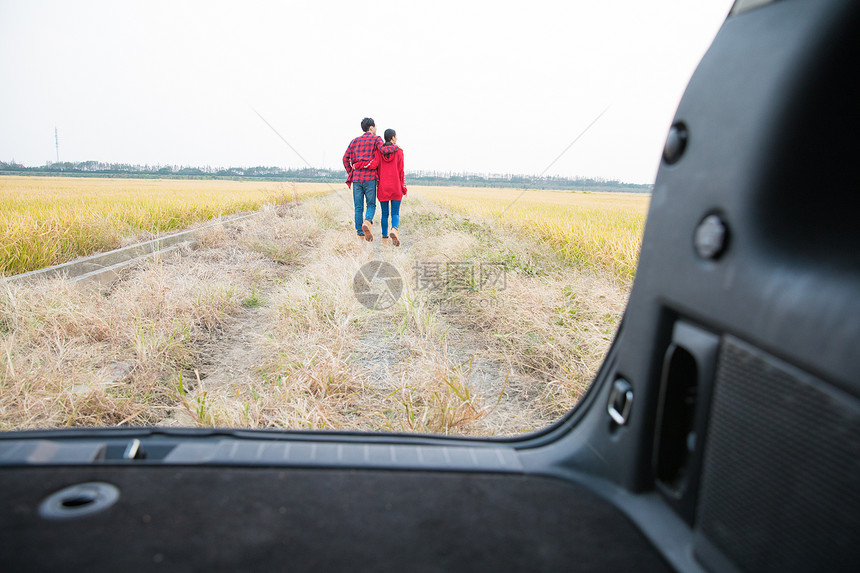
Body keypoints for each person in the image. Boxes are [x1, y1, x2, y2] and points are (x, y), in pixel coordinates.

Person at [343, 117, 385, 242]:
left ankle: (360, 236)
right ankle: (367, 221)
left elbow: (345, 158)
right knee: (371, 204)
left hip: (356, 178)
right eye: (375, 127)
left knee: (358, 207)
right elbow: (383, 151)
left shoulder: (354, 141)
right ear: (371, 127)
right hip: (370, 177)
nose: (376, 129)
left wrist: (351, 172)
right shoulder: (376, 139)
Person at [375, 129, 407, 247]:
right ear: (393, 138)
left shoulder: (379, 152)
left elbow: (376, 168)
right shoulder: (399, 151)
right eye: (396, 136)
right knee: (395, 213)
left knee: (384, 214)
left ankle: (384, 240)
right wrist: (404, 188)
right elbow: (401, 171)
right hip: (396, 186)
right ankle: (394, 229)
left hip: (383, 187)